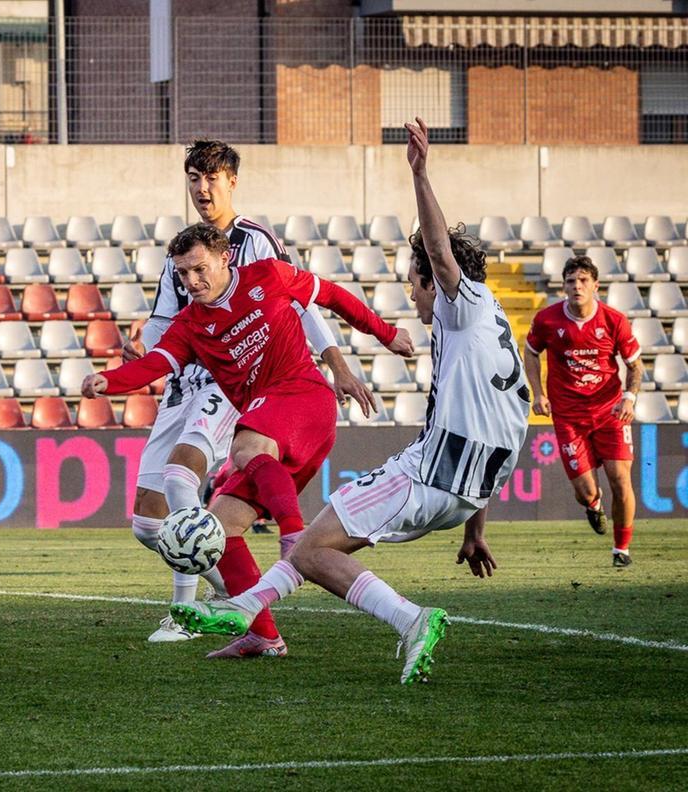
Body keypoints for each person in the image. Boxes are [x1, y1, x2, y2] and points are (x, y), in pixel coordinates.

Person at [168, 118, 530, 685]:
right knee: (316, 546)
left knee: (310, 549)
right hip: (472, 488)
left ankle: (411, 619)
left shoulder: (462, 302)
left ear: (436, 279)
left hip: (429, 473)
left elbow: (436, 247)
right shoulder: (490, 330)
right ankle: (244, 612)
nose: (412, 293)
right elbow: (490, 430)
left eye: (414, 281)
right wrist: (474, 528)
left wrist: (419, 172)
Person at [82, 222, 411, 660]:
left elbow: (332, 295)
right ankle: (264, 635)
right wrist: (108, 380)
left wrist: (386, 335)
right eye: (182, 274)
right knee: (221, 530)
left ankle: (294, 537)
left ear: (224, 258)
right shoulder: (190, 325)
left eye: (199, 269)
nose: (192, 282)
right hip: (271, 422)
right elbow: (153, 365)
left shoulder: (268, 276)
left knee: (243, 448)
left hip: (303, 397)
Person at [127, 139, 374, 648]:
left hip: (233, 380)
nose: (201, 188)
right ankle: (239, 601)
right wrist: (147, 348)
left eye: (211, 178)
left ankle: (186, 609)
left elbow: (303, 301)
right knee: (146, 523)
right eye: (193, 178)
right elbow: (163, 320)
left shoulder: (255, 241)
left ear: (232, 181)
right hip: (182, 384)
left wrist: (337, 364)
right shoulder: (181, 249)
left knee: (180, 476)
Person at [524, 256, 642, 566]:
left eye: (583, 281)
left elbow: (635, 365)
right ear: (563, 286)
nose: (577, 286)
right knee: (585, 491)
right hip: (568, 417)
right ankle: (593, 505)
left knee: (620, 479)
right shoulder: (548, 320)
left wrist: (629, 398)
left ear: (595, 286)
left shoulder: (614, 320)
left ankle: (622, 550)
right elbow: (531, 352)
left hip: (610, 412)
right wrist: (538, 393)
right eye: (571, 281)